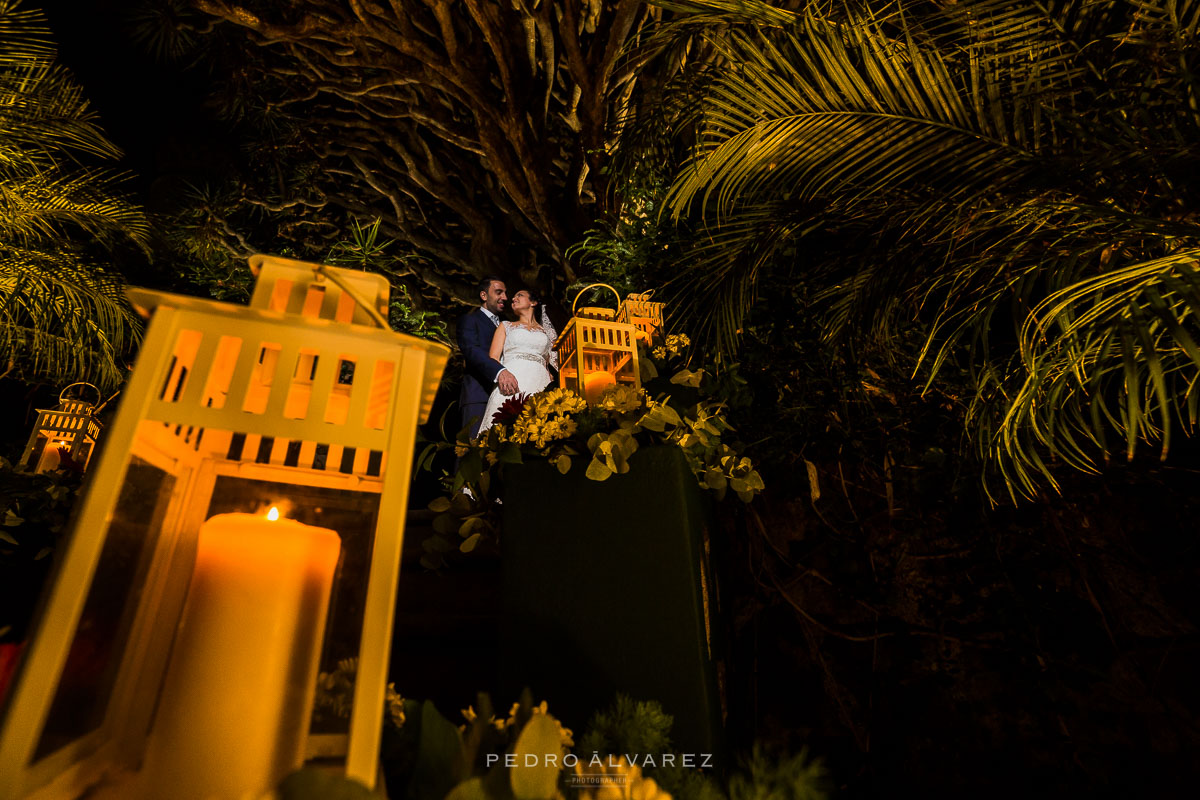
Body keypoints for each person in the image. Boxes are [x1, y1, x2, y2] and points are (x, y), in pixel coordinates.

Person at [475, 288, 558, 435]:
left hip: (539, 382)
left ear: (533, 302)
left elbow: (549, 362)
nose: (513, 299)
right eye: (513, 297)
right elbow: (493, 357)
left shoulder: (545, 332)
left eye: (519, 295)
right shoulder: (505, 326)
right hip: (511, 380)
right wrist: (502, 375)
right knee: (501, 428)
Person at [457, 277, 519, 438]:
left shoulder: (509, 325)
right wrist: (500, 372)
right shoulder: (470, 320)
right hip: (479, 395)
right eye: (499, 292)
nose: (505, 297)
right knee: (471, 453)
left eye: (505, 293)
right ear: (484, 296)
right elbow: (471, 350)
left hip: (508, 397)